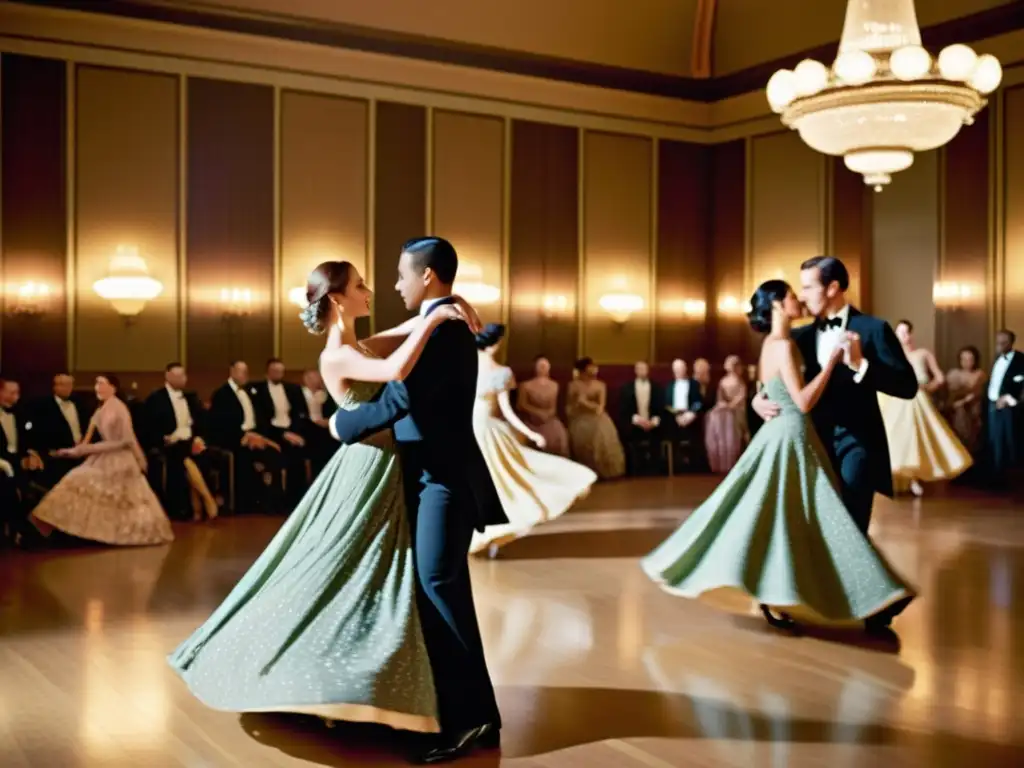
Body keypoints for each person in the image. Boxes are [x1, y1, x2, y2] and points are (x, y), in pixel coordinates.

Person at [169, 259, 476, 748]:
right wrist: (436, 320)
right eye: (359, 285)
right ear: (337, 299)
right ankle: (320, 675)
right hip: (365, 472)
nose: (370, 290)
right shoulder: (338, 355)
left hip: (386, 469)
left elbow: (400, 329)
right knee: (336, 568)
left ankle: (372, 680)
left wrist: (443, 307)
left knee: (370, 575)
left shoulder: (354, 346)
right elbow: (396, 369)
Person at [642, 280, 916, 633]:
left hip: (794, 435)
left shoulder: (777, 342)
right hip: (790, 436)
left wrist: (758, 399)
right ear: (775, 306)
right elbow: (800, 402)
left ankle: (853, 595)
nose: (798, 298)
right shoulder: (785, 344)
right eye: (791, 295)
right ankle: (873, 595)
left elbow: (764, 387)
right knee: (811, 518)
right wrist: (833, 362)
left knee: (796, 520)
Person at [329, 237, 506, 763]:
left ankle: (471, 720)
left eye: (402, 274)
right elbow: (368, 351)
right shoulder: (441, 322)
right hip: (432, 477)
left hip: (444, 481)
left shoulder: (447, 331)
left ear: (427, 276)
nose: (394, 284)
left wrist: (343, 424)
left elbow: (400, 397)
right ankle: (472, 715)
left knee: (439, 589)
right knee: (436, 591)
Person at [752, 256, 917, 536]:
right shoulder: (799, 337)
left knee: (852, 526)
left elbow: (907, 386)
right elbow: (773, 378)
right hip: (812, 443)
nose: (802, 296)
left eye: (807, 287)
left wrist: (861, 366)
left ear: (832, 288)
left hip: (858, 442)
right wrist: (758, 399)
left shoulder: (873, 329)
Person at [469, 323, 596, 557]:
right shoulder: (500, 372)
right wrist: (530, 434)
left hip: (468, 430)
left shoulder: (463, 365)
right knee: (502, 482)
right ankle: (491, 534)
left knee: (471, 484)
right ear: (496, 344)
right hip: (487, 430)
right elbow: (507, 411)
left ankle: (476, 534)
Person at [31, 374, 174, 546]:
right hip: (101, 457)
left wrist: (139, 458)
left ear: (113, 387)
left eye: (102, 383)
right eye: (96, 384)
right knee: (75, 479)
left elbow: (127, 440)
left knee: (116, 496)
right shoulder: (99, 410)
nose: (97, 387)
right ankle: (45, 529)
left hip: (120, 460)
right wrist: (69, 451)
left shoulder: (120, 408)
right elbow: (86, 441)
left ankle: (115, 534)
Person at [878, 320, 972, 496]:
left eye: (906, 332)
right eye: (899, 332)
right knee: (893, 437)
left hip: (917, 399)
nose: (903, 336)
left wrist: (927, 388)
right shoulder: (890, 355)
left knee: (915, 436)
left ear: (911, 334)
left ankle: (914, 479)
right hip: (895, 400)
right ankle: (891, 479)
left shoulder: (922, 353)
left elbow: (940, 377)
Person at [566, 357, 626, 479]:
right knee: (583, 434)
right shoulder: (573, 386)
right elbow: (569, 407)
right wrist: (578, 406)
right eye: (591, 367)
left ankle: (605, 472)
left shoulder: (600, 385)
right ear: (583, 370)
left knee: (601, 434)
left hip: (598, 417)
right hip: (579, 418)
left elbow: (600, 407)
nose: (594, 369)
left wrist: (585, 403)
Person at [984, 329, 1024, 487]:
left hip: (1010, 407)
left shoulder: (1021, 359)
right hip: (992, 405)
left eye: (1004, 342)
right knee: (995, 440)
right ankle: (996, 478)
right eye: (998, 341)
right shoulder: (997, 359)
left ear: (1011, 342)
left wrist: (1009, 399)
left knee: (1010, 441)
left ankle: (1012, 480)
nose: (999, 345)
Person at [516, 355, 570, 457]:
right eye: (540, 365)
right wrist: (536, 412)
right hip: (531, 420)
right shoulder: (525, 385)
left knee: (559, 436)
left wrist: (547, 414)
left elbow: (553, 407)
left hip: (549, 420)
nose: (543, 367)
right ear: (534, 367)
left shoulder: (554, 385)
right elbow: (521, 404)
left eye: (545, 365)